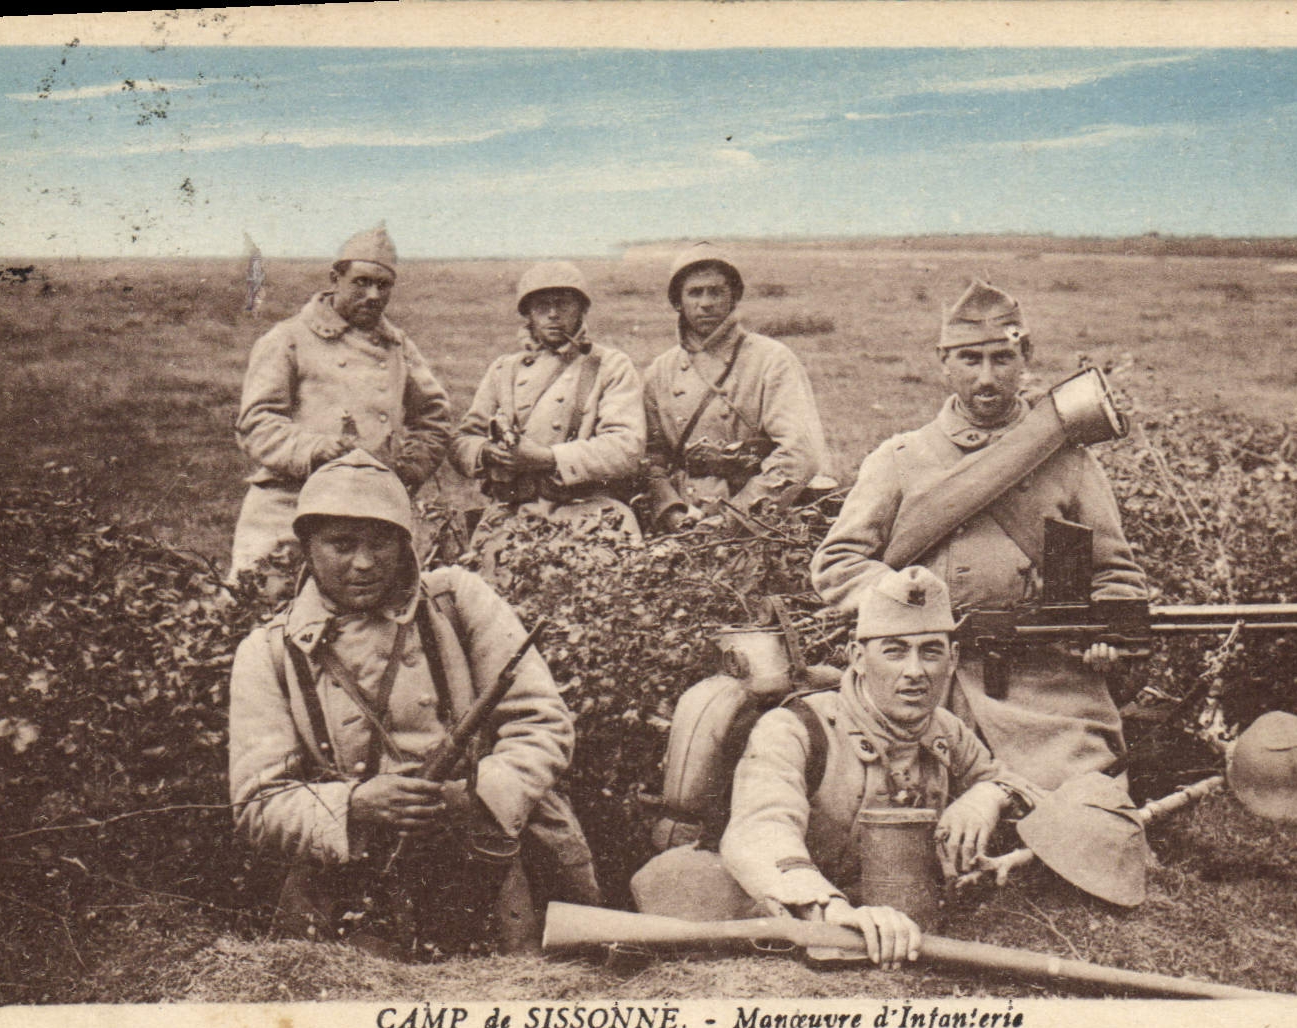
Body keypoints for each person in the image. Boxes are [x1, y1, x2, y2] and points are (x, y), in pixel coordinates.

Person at [228, 450, 599, 957]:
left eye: (381, 543)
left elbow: (542, 722)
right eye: (341, 544)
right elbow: (258, 802)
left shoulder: (457, 602)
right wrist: (356, 805)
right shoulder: (269, 651)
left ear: (406, 546)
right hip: (353, 871)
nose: (363, 563)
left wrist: (480, 795)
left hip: (489, 847)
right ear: (306, 548)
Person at [811, 280, 1149, 792]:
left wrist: (1105, 634)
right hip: (924, 683)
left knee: (1084, 804)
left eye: (1002, 358)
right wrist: (905, 606)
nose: (987, 377)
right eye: (970, 360)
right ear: (943, 362)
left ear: (1025, 357)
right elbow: (839, 563)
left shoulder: (1070, 462)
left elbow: (1114, 573)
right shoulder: (901, 459)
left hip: (1047, 688)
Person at [720, 567, 1025, 969]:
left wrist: (987, 796)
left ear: (952, 660)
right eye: (894, 651)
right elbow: (760, 831)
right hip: (809, 906)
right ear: (858, 658)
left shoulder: (945, 730)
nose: (915, 671)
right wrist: (831, 910)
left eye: (930, 651)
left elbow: (1011, 782)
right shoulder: (796, 727)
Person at [230, 226, 452, 580]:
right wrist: (317, 449)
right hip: (287, 505)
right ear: (335, 278)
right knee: (265, 608)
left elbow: (435, 418)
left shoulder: (398, 346)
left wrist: (406, 470)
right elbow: (257, 424)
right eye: (361, 282)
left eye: (384, 285)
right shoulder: (288, 339)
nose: (373, 295)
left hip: (369, 513)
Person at [449, 261, 645, 554]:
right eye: (542, 306)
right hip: (512, 515)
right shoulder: (504, 370)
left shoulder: (610, 366)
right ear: (528, 315)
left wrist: (549, 458)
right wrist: (489, 452)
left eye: (564, 305)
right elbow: (463, 441)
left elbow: (626, 447)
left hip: (591, 514)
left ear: (581, 310)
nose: (553, 315)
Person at [640, 242, 828, 532]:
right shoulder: (659, 372)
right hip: (684, 515)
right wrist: (670, 511)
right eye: (694, 292)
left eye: (716, 291)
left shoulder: (772, 360)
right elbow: (651, 457)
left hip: (760, 517)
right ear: (678, 301)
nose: (706, 303)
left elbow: (800, 453)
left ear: (734, 297)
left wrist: (735, 518)